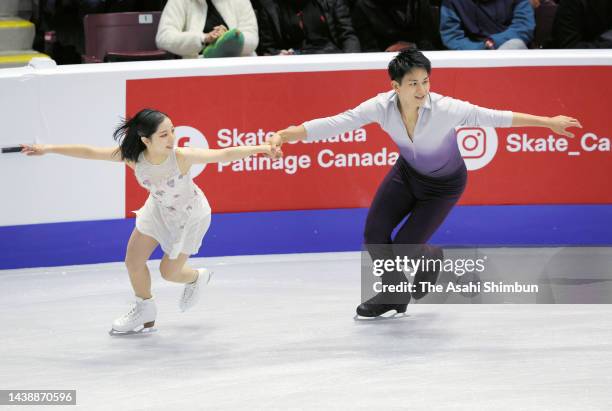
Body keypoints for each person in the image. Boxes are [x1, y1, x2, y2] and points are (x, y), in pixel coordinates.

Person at [267, 49, 581, 318]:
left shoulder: (446, 109)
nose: (422, 89)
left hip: (444, 186)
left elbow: (496, 117)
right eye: (414, 83)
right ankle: (394, 295)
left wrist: (548, 123)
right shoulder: (380, 106)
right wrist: (285, 134)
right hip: (406, 175)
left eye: (426, 81)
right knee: (374, 235)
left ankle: (430, 257)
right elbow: (335, 123)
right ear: (395, 86)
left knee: (404, 245)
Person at [21, 109, 274, 334]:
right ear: (146, 139)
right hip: (158, 210)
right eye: (164, 134)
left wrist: (261, 148)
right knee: (133, 261)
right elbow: (90, 151)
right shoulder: (133, 157)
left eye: (172, 131)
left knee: (170, 273)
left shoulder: (181, 156)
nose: (172, 138)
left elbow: (225, 154)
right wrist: (48, 148)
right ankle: (145, 309)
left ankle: (196, 277)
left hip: (189, 216)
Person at [156, 0, 259, 58]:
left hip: (238, 68)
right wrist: (203, 38)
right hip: (197, 71)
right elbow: (164, 37)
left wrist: (228, 37)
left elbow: (252, 38)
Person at [257, 0, 360, 55]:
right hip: (293, 66)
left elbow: (347, 35)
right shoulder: (269, 7)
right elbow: (267, 48)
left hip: (331, 58)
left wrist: (349, 62)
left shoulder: (332, 2)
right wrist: (278, 55)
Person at [440, 0, 535, 50]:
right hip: (471, 54)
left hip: (509, 50)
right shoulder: (451, 2)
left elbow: (524, 27)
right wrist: (481, 48)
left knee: (515, 44)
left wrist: (492, 42)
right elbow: (452, 37)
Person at [351, 0, 438, 52]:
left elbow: (428, 40)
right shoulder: (364, 6)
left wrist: (412, 47)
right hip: (382, 62)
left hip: (419, 57)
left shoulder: (418, 3)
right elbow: (368, 49)